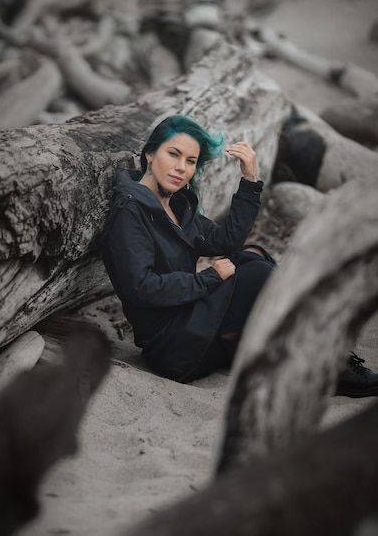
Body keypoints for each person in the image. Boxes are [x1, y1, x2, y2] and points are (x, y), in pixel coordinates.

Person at [101, 115, 378, 395]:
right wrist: (209, 278)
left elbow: (226, 240)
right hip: (172, 346)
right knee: (255, 274)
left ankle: (313, 355)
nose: (181, 168)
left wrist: (249, 180)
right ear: (150, 153)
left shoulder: (177, 205)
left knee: (251, 257)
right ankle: (327, 364)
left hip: (191, 323)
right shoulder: (130, 212)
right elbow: (142, 288)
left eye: (190, 161)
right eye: (173, 154)